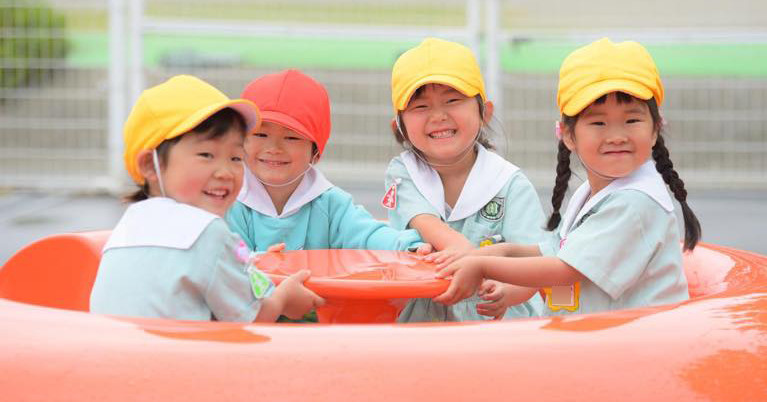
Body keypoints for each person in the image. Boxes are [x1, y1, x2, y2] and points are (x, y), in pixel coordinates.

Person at [433, 38, 701, 316]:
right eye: (599, 123)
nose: (617, 136)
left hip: (637, 349)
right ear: (568, 135)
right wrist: (499, 254)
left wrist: (483, 266)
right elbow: (553, 250)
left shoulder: (635, 203)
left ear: (656, 129)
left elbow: (565, 270)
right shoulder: (595, 192)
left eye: (632, 120)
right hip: (601, 345)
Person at [90, 75, 324, 322]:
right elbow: (254, 318)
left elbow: (188, 262)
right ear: (151, 164)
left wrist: (252, 259)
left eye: (235, 158)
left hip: (116, 354)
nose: (225, 172)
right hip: (175, 358)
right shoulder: (207, 233)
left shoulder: (132, 223)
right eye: (206, 155)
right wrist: (284, 299)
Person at [385, 38, 546, 322]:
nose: (438, 116)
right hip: (421, 331)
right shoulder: (402, 174)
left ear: (485, 112)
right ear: (399, 125)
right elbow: (426, 221)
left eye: (452, 100)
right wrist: (463, 249)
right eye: (420, 106)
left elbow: (536, 264)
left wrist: (507, 292)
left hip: (495, 332)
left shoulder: (509, 184)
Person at [227, 69, 429, 254]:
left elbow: (368, 234)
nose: (274, 148)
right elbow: (225, 258)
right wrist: (261, 262)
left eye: (292, 137)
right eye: (261, 135)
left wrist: (410, 246)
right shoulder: (228, 199)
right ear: (240, 141)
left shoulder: (329, 203)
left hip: (315, 295)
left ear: (316, 153)